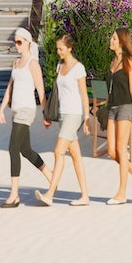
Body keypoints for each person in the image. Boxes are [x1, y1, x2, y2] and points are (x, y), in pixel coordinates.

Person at [0, 27, 50, 208]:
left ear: (28, 42)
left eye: (20, 42)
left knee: (13, 148)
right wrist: (2, 108)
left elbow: (41, 90)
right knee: (25, 150)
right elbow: (10, 87)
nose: (17, 45)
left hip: (27, 110)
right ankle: (51, 176)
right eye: (15, 42)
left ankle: (14, 195)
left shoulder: (33, 64)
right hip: (16, 110)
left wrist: (45, 113)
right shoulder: (16, 63)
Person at [38, 35, 93, 207]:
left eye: (61, 48)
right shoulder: (59, 66)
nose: (58, 51)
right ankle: (85, 196)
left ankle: (50, 193)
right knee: (76, 156)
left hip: (74, 115)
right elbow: (57, 94)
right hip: (63, 114)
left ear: (70, 48)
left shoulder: (79, 68)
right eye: (57, 48)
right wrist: (48, 115)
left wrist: (86, 117)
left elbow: (84, 94)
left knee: (58, 151)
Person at [104, 27, 132, 205]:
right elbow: (110, 89)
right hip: (112, 108)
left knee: (121, 149)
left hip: (126, 108)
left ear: (121, 42)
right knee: (111, 151)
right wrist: (105, 108)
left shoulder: (129, 62)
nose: (111, 41)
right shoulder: (112, 62)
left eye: (113, 38)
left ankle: (121, 193)